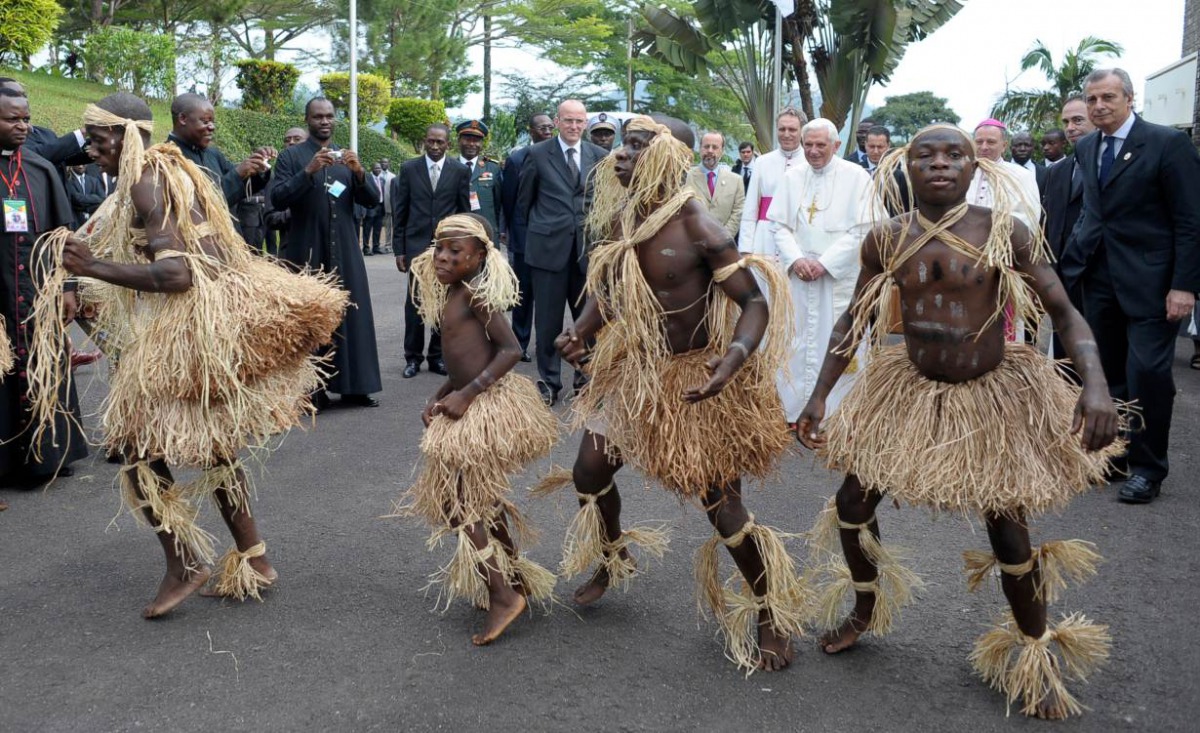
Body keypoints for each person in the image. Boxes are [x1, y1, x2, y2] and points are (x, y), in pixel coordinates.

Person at [798, 125, 1122, 719]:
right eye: (927, 156)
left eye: (955, 156)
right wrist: (819, 395)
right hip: (911, 391)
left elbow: (1064, 313)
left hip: (988, 395)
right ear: (906, 168)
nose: (941, 165)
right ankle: (865, 607)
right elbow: (854, 322)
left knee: (1007, 528)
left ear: (976, 168)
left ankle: (1035, 652)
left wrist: (1096, 387)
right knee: (852, 507)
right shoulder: (886, 239)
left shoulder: (1005, 232)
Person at [32, 92, 346, 617]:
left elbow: (176, 275)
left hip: (182, 335)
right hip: (201, 333)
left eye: (97, 136)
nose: (88, 147)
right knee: (216, 447)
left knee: (136, 451)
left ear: (126, 134)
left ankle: (183, 563)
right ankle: (255, 556)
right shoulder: (176, 170)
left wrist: (91, 269)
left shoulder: (148, 181)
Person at [538, 115, 807, 673]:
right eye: (621, 145)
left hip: (692, 382)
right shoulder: (623, 218)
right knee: (589, 473)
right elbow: (610, 289)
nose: (620, 155)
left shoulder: (701, 229)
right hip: (635, 374)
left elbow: (755, 303)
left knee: (722, 507)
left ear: (668, 156)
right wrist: (581, 331)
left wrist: (731, 361)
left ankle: (770, 610)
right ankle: (613, 557)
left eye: (636, 146)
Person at [397, 212, 558, 645]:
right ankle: (512, 574)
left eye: (455, 251)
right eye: (440, 249)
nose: (444, 258)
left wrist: (468, 394)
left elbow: (510, 350)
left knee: (460, 503)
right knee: (476, 500)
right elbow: (465, 355)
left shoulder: (475, 295)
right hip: (466, 398)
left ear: (479, 255)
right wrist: (444, 392)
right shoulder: (453, 292)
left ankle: (502, 594)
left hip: (485, 405)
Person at [1059, 68, 1200, 504]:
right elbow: (1093, 213)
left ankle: (1147, 468)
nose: (1100, 106)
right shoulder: (1086, 147)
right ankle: (1114, 456)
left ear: (1129, 98)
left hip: (1153, 285)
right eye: (1093, 98)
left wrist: (1184, 286)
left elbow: (1190, 221)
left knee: (1149, 376)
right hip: (1098, 280)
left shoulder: (1167, 144)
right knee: (1107, 375)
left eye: (1108, 97)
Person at [270, 97, 383, 409]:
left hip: (344, 249)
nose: (324, 121)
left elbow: (373, 201)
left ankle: (355, 386)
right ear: (307, 120)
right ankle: (311, 390)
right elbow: (278, 198)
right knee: (309, 319)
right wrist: (307, 172)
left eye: (329, 116)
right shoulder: (291, 157)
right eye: (317, 116)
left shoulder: (346, 158)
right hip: (307, 248)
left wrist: (360, 174)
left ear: (335, 119)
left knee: (352, 315)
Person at [0, 88, 88, 488]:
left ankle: (49, 456)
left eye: (25, 118)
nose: (24, 126)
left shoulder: (41, 168)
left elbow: (62, 233)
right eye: (12, 119)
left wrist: (68, 286)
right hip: (1, 291)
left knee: (45, 367)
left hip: (39, 292)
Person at [766, 118, 875, 426]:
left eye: (820, 145)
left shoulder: (857, 177)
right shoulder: (793, 177)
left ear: (836, 146)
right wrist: (796, 259)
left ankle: (836, 412)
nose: (813, 152)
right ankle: (792, 408)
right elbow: (779, 225)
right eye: (808, 145)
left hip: (837, 277)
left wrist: (825, 262)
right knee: (796, 338)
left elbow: (864, 229)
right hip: (800, 276)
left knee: (838, 338)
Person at [516, 100, 608, 405]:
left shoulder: (600, 156)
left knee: (588, 320)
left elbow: (604, 205)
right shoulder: (537, 154)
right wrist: (534, 240)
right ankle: (549, 382)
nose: (574, 126)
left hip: (587, 252)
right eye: (568, 120)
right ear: (557, 121)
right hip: (548, 251)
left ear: (586, 123)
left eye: (580, 121)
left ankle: (585, 378)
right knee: (547, 320)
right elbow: (524, 204)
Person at [392, 123, 471, 378]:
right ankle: (412, 358)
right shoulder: (408, 169)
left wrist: (463, 249)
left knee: (443, 304)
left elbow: (463, 212)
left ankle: (437, 357)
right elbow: (400, 212)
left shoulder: (459, 170)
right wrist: (399, 249)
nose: (435, 146)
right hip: (416, 248)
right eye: (431, 141)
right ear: (424, 142)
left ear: (448, 144)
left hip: (447, 250)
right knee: (414, 304)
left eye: (440, 142)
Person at [1042, 97, 1095, 360]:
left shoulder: (1110, 167)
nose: (1071, 127)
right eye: (1066, 122)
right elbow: (1048, 223)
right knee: (1064, 354)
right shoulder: (1057, 171)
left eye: (1078, 120)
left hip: (1099, 277)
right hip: (1061, 277)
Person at [500, 113, 555, 362]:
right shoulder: (517, 158)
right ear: (530, 130)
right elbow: (509, 200)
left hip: (551, 239)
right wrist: (511, 233)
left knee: (548, 295)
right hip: (524, 237)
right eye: (542, 128)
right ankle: (519, 344)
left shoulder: (557, 154)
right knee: (523, 295)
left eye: (550, 127)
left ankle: (547, 344)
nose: (547, 131)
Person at [165, 93, 273, 211]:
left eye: (212, 122)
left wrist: (257, 167)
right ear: (183, 119)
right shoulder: (167, 159)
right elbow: (198, 208)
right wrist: (237, 174)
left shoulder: (213, 153)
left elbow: (240, 189)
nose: (212, 127)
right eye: (205, 121)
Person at [739, 107, 807, 260]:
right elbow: (750, 208)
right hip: (764, 238)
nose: (786, 134)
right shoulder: (762, 162)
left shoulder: (809, 163)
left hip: (798, 239)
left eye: (792, 129)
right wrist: (746, 248)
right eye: (782, 129)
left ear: (802, 131)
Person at [0, 78, 91, 167]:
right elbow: (39, 155)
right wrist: (83, 132)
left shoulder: (46, 133)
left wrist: (99, 142)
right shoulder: (8, 138)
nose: (21, 99)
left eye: (23, 95)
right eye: (13, 95)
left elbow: (64, 156)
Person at [969, 120, 1041, 228]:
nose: (984, 147)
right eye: (979, 142)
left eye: (991, 142)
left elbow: (1029, 219)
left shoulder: (1022, 175)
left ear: (1004, 146)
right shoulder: (962, 173)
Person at [686, 131, 745, 238]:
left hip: (723, 244)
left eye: (715, 147)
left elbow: (738, 212)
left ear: (722, 151)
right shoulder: (685, 178)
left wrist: (722, 237)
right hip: (692, 243)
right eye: (706, 146)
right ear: (700, 149)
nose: (710, 150)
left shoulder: (736, 181)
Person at [262, 127, 308, 256]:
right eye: (287, 140)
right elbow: (270, 219)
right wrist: (295, 213)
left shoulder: (322, 172)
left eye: (297, 139)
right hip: (292, 253)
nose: (291, 142)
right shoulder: (277, 179)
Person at [456, 119, 503, 237]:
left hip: (485, 233)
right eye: (467, 139)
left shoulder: (493, 168)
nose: (472, 144)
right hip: (457, 232)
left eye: (476, 140)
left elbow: (499, 204)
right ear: (459, 141)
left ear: (482, 144)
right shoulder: (448, 167)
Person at [65, 163, 105, 230]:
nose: (80, 166)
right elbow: (77, 199)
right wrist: (95, 197)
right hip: (75, 224)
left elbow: (103, 200)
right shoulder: (68, 181)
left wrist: (87, 208)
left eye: (83, 163)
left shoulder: (94, 181)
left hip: (93, 225)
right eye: (78, 163)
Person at [361, 162, 386, 255]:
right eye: (376, 168)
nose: (378, 170)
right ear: (372, 169)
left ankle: (376, 247)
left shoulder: (382, 180)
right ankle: (366, 248)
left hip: (380, 206)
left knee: (377, 228)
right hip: (370, 206)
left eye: (379, 168)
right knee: (367, 228)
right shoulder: (367, 178)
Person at [377, 158, 396, 251]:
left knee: (389, 225)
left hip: (389, 205)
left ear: (389, 164)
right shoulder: (376, 175)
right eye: (382, 162)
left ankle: (389, 244)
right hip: (378, 205)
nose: (384, 163)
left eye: (386, 162)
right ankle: (376, 244)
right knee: (377, 226)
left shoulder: (393, 176)